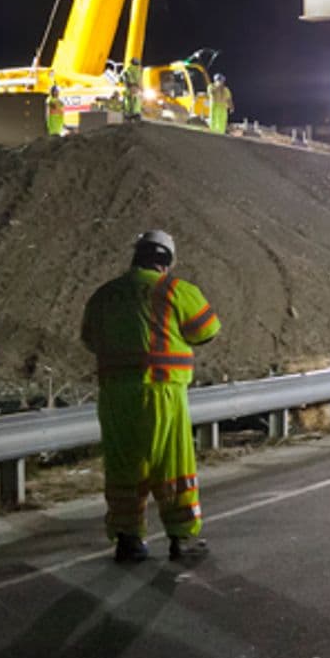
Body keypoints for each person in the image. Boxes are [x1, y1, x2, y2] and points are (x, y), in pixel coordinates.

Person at [81, 228, 223, 563]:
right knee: (171, 465)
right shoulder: (175, 290)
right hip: (162, 392)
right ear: (167, 261)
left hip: (114, 397)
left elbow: (89, 339)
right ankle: (182, 537)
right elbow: (207, 330)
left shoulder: (104, 295)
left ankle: (128, 539)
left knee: (123, 467)